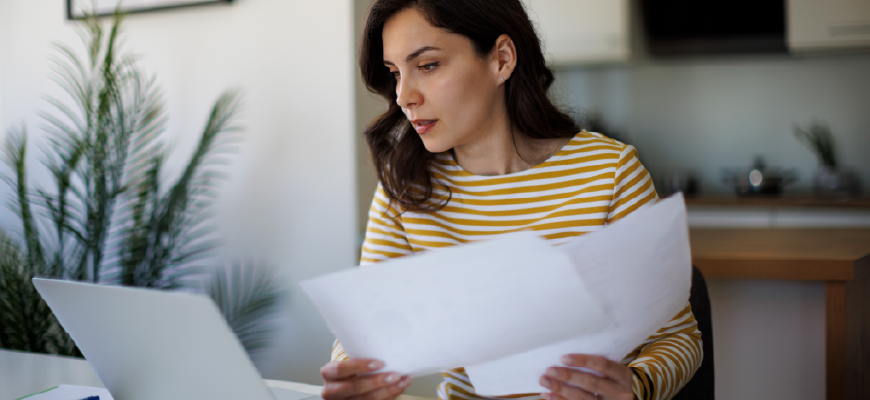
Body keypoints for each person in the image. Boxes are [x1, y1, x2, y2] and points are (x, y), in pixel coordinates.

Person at [319, 1, 702, 400]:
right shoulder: (405, 187)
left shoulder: (610, 172)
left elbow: (679, 338)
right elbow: (364, 337)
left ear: (501, 59)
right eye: (395, 73)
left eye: (428, 66)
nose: (403, 96)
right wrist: (353, 374)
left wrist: (635, 387)